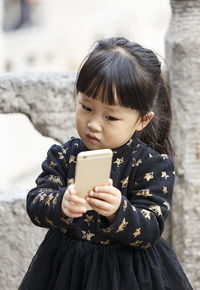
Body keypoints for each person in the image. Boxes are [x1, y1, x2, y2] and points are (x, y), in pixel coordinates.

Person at [19, 37, 193, 290]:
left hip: (130, 274)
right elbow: (36, 203)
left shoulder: (151, 166)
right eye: (86, 107)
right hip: (67, 269)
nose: (94, 124)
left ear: (142, 120)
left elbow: (151, 228)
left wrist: (118, 211)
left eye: (110, 116)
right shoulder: (65, 155)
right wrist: (61, 202)